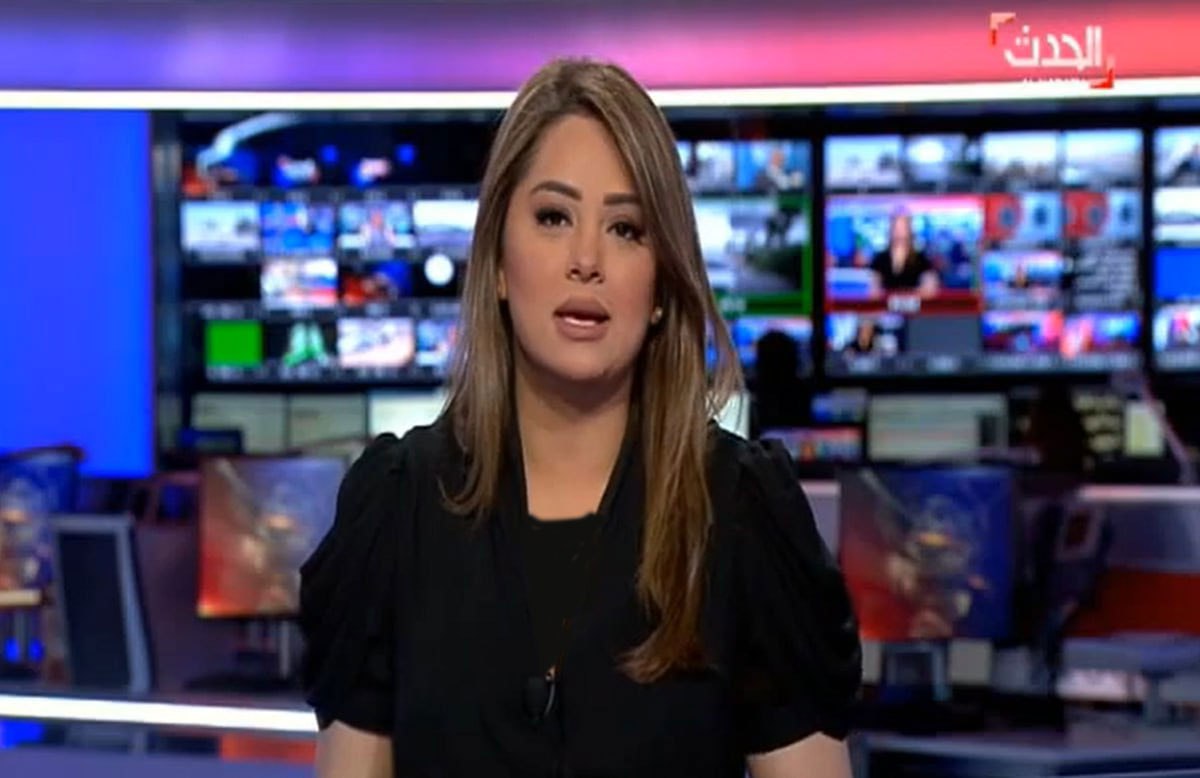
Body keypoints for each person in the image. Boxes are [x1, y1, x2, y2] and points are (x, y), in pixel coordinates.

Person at [299, 58, 862, 778]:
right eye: (554, 217)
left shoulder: (743, 513)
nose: (587, 259)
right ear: (497, 264)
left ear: (661, 285)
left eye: (626, 228)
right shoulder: (396, 506)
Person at [869, 211, 939, 295]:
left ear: (909, 230)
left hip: (915, 302)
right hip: (885, 303)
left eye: (903, 228)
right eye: (896, 228)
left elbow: (930, 288)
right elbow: (873, 289)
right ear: (891, 230)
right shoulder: (879, 259)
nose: (899, 232)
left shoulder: (921, 259)